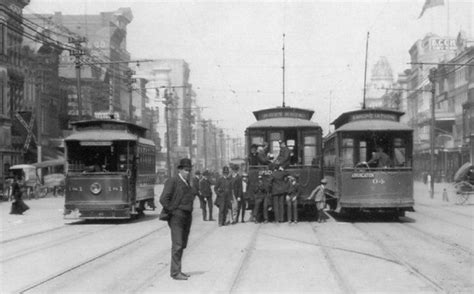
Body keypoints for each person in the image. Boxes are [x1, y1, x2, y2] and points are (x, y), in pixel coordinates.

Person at [159, 158, 194, 280]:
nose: (188, 172)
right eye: (186, 170)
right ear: (180, 170)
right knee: (178, 244)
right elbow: (163, 199)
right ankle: (175, 272)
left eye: (189, 170)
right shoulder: (173, 181)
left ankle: (178, 270)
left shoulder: (187, 183)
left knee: (183, 244)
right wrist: (172, 211)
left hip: (186, 217)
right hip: (177, 217)